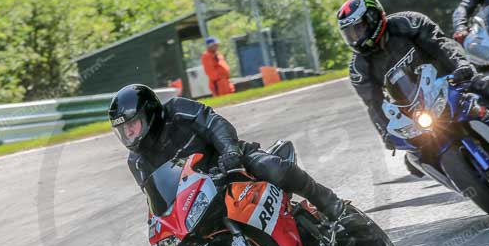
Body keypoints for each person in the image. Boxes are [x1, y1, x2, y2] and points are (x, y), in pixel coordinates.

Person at [108, 84, 348, 221]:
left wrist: (230, 151)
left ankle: (331, 204)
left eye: (132, 125)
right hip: (198, 198)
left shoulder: (177, 110)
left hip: (231, 162)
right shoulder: (137, 161)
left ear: (149, 114)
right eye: (124, 130)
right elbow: (155, 197)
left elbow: (214, 124)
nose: (129, 134)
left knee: (275, 168)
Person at [339, 0, 489, 157]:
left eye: (359, 28)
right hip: (414, 109)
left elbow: (442, 44)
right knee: (414, 159)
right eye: (349, 33)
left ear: (374, 17)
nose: (355, 37)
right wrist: (385, 131)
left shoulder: (408, 23)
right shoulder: (358, 67)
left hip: (449, 82)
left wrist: (461, 65)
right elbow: (373, 103)